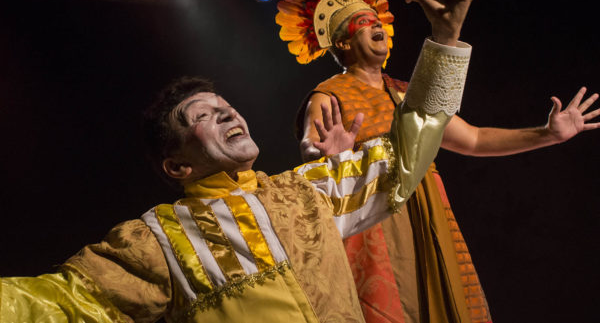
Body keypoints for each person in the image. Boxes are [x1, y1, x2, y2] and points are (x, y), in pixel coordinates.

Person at [0, 26, 473, 323]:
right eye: (202, 116)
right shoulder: (156, 240)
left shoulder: (305, 196)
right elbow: (57, 304)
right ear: (178, 165)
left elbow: (409, 147)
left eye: (226, 107)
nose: (227, 115)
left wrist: (448, 35)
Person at [275, 0, 600, 323]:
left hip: (428, 208)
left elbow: (475, 139)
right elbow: (312, 152)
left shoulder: (408, 91)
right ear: (342, 42)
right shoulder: (329, 94)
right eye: (363, 21)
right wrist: (327, 156)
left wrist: (547, 134)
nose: (378, 24)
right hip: (377, 218)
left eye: (376, 18)